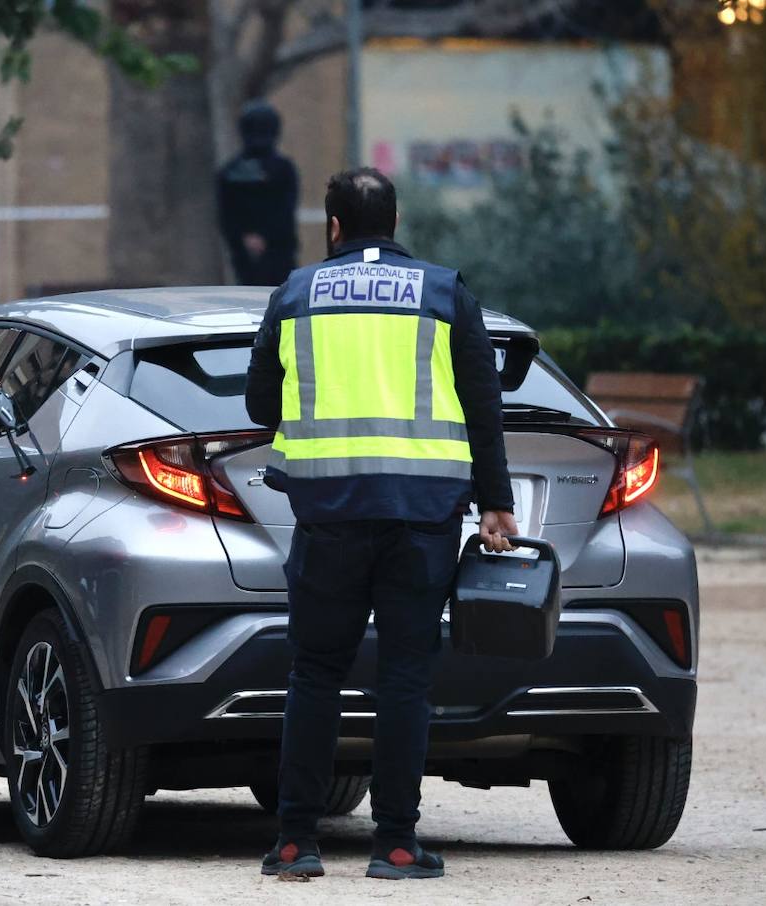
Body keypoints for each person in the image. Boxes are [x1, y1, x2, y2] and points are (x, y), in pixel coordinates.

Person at [245, 168, 518, 881]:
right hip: (422, 517)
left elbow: (256, 404)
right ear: (395, 224)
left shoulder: (295, 294)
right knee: (404, 680)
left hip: (328, 517)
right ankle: (396, 844)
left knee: (315, 674)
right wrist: (496, 503)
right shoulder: (443, 291)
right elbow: (483, 407)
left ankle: (296, 843)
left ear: (333, 227)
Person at [216, 100, 299, 287]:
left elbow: (226, 215)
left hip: (245, 252)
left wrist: (245, 237)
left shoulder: (230, 171)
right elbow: (286, 210)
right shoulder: (284, 169)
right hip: (278, 251)